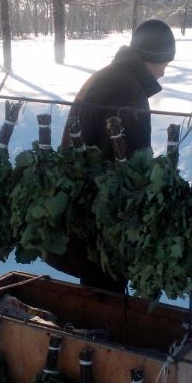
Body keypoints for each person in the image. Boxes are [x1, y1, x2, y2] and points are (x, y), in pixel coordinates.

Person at [47, 19, 176, 292]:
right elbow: (131, 166)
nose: (163, 73)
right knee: (105, 290)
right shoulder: (127, 93)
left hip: (84, 203)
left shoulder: (109, 76)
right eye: (164, 64)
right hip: (103, 214)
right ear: (150, 57)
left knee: (95, 285)